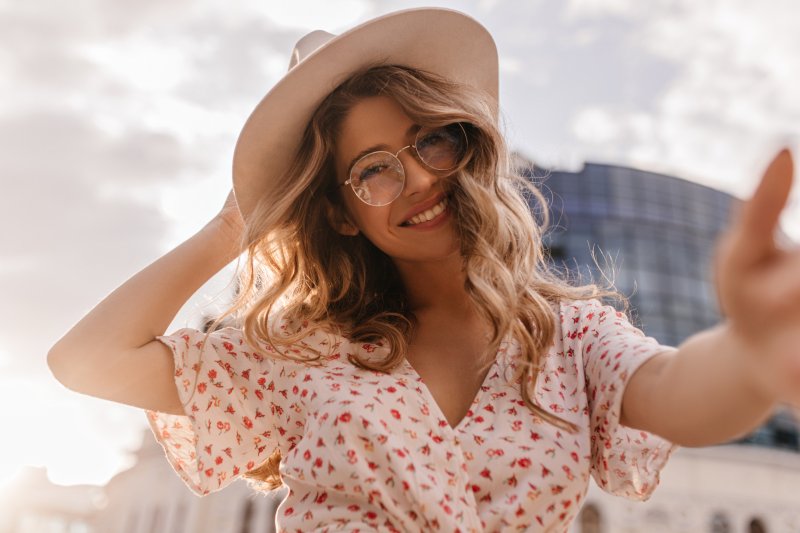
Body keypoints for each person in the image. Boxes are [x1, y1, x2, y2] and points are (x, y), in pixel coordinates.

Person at [47, 7, 799, 533]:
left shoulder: (564, 336)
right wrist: (232, 226)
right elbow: (87, 360)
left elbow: (679, 393)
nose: (415, 179)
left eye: (429, 142)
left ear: (465, 144)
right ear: (341, 212)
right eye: (373, 170)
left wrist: (753, 352)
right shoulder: (299, 349)